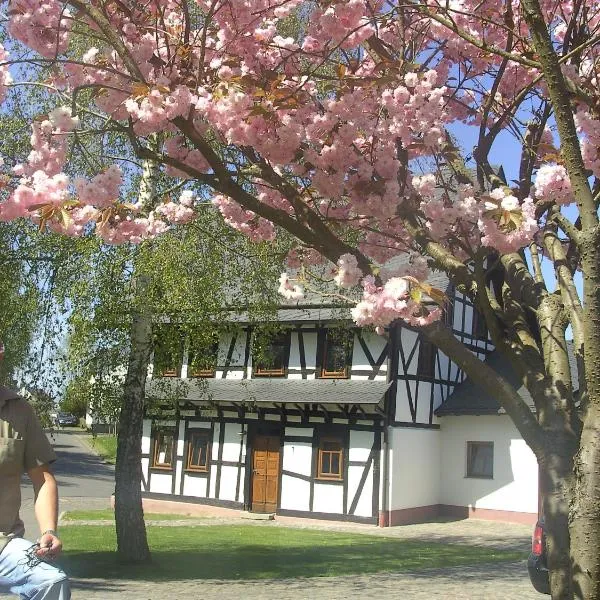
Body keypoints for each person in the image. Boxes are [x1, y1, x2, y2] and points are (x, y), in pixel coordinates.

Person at [0, 340, 71, 599]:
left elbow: (42, 480)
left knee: (51, 581)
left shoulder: (19, 411)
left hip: (3, 545)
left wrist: (49, 530)